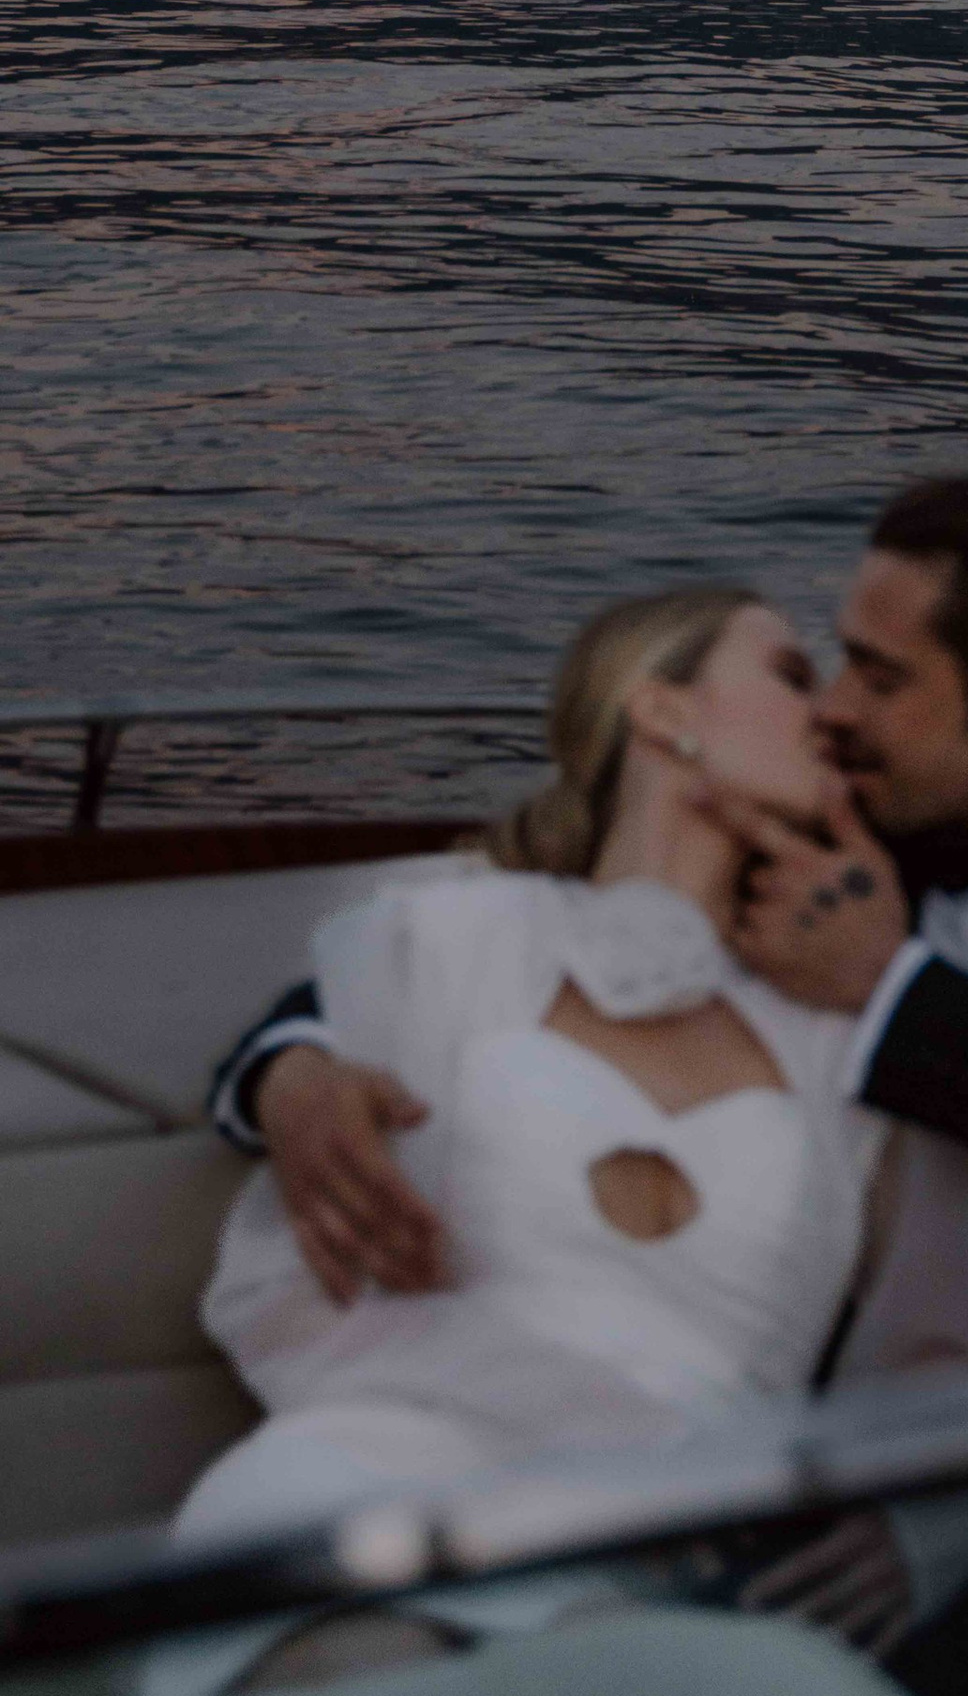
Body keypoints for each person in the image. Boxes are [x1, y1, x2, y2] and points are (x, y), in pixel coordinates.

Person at [212, 476, 968, 1328]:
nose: (835, 711)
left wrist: (891, 991)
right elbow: (511, 939)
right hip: (865, 1369)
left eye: (880, 675)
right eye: (835, 661)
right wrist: (291, 1075)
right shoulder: (844, 825)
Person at [179, 585, 886, 1546]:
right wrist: (287, 1077)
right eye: (794, 675)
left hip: (681, 1527)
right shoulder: (460, 936)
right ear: (662, 710)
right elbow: (279, 1048)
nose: (834, 712)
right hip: (375, 1479)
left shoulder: (843, 1031)